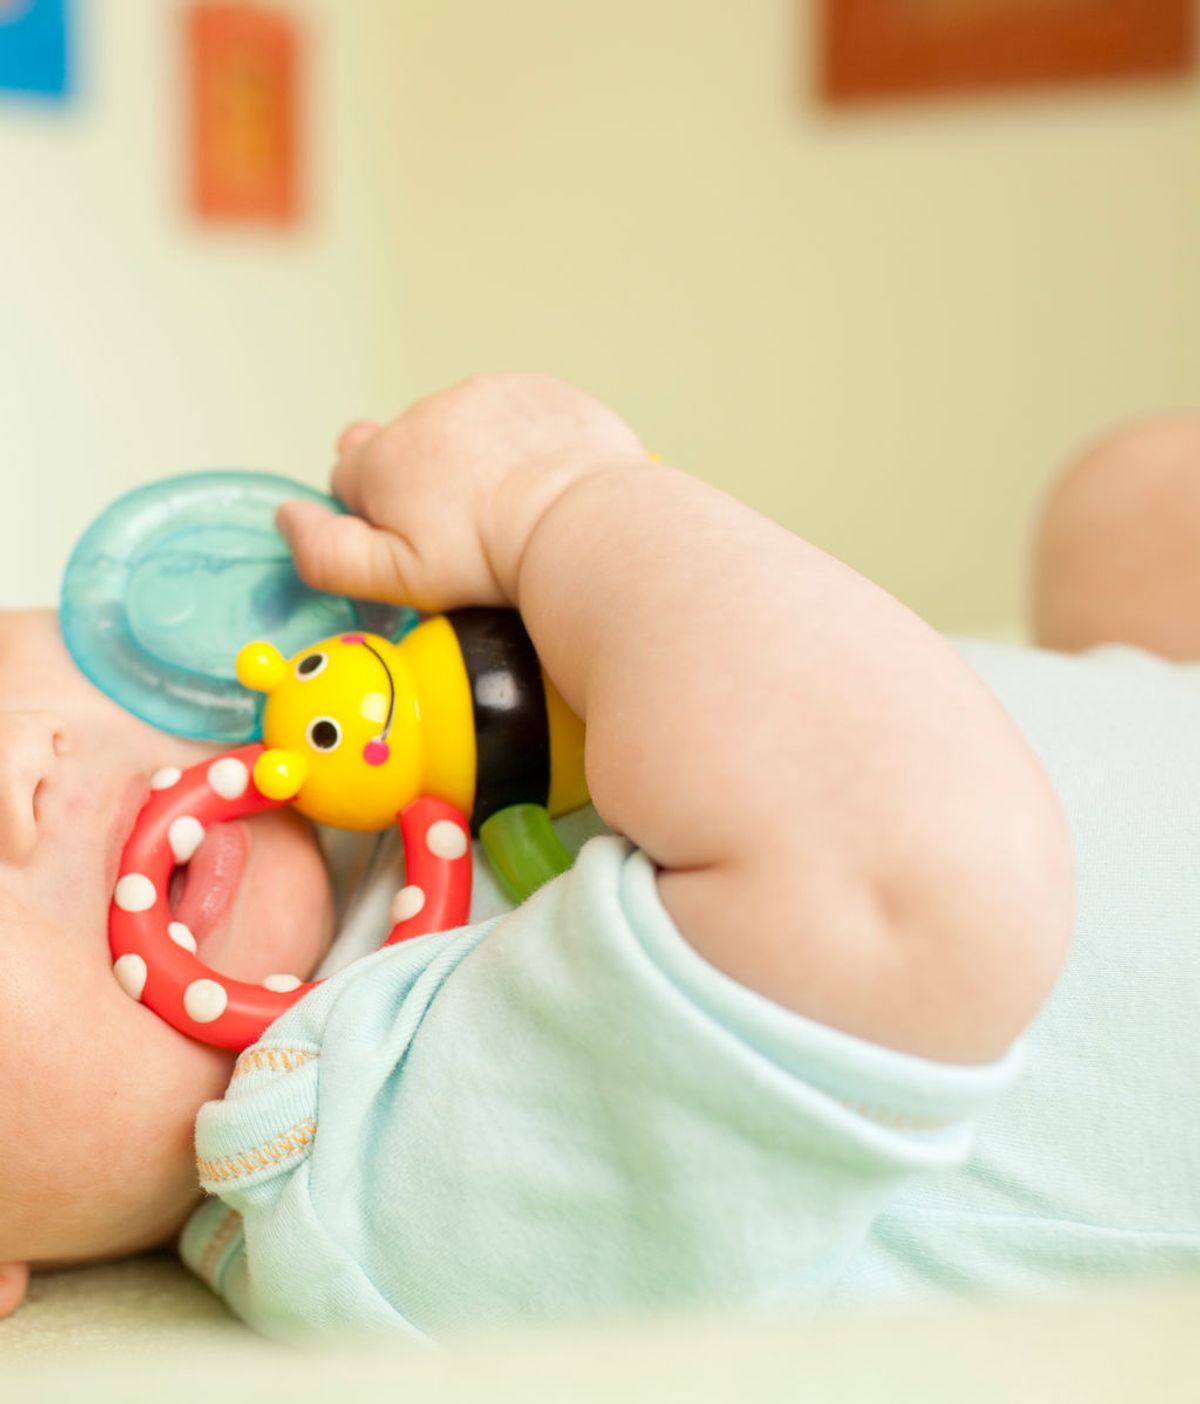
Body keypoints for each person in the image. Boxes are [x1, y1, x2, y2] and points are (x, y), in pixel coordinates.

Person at [0, 377, 1185, 1338]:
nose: (17, 763)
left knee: (1128, 500)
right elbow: (909, 886)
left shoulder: (374, 762)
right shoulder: (367, 1170)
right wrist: (560, 504)